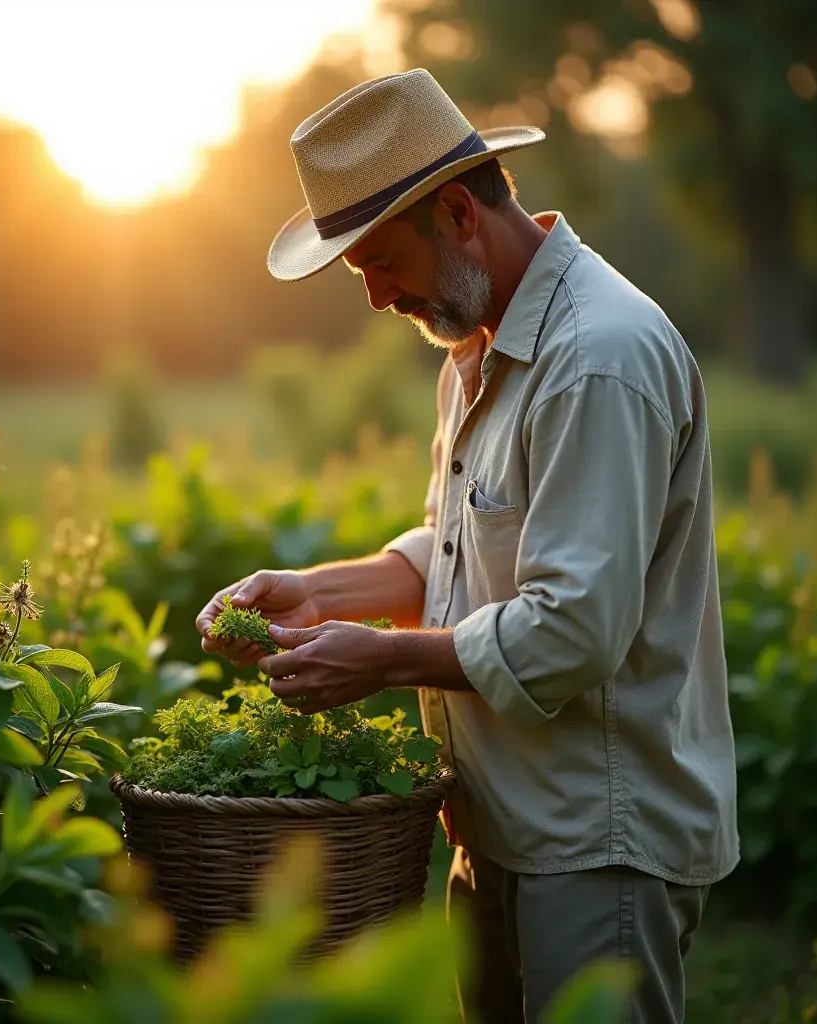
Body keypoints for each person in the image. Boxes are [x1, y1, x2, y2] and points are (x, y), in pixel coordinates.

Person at [195, 68, 738, 1024]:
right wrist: (324, 595)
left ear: (455, 212)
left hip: (595, 837)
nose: (373, 298)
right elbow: (461, 544)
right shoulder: (478, 345)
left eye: (377, 262)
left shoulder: (597, 358)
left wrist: (387, 662)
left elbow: (574, 628)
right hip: (499, 820)